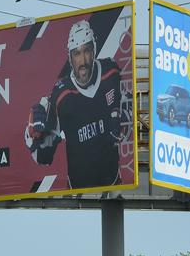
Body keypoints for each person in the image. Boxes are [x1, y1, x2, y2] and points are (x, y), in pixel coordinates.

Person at [24, 20, 127, 190]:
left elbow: (129, 118)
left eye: (86, 51)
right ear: (70, 58)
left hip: (113, 184)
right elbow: (44, 157)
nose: (83, 61)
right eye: (77, 54)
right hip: (78, 194)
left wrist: (124, 122)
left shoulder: (111, 71)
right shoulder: (61, 94)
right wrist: (32, 135)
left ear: (94, 51)